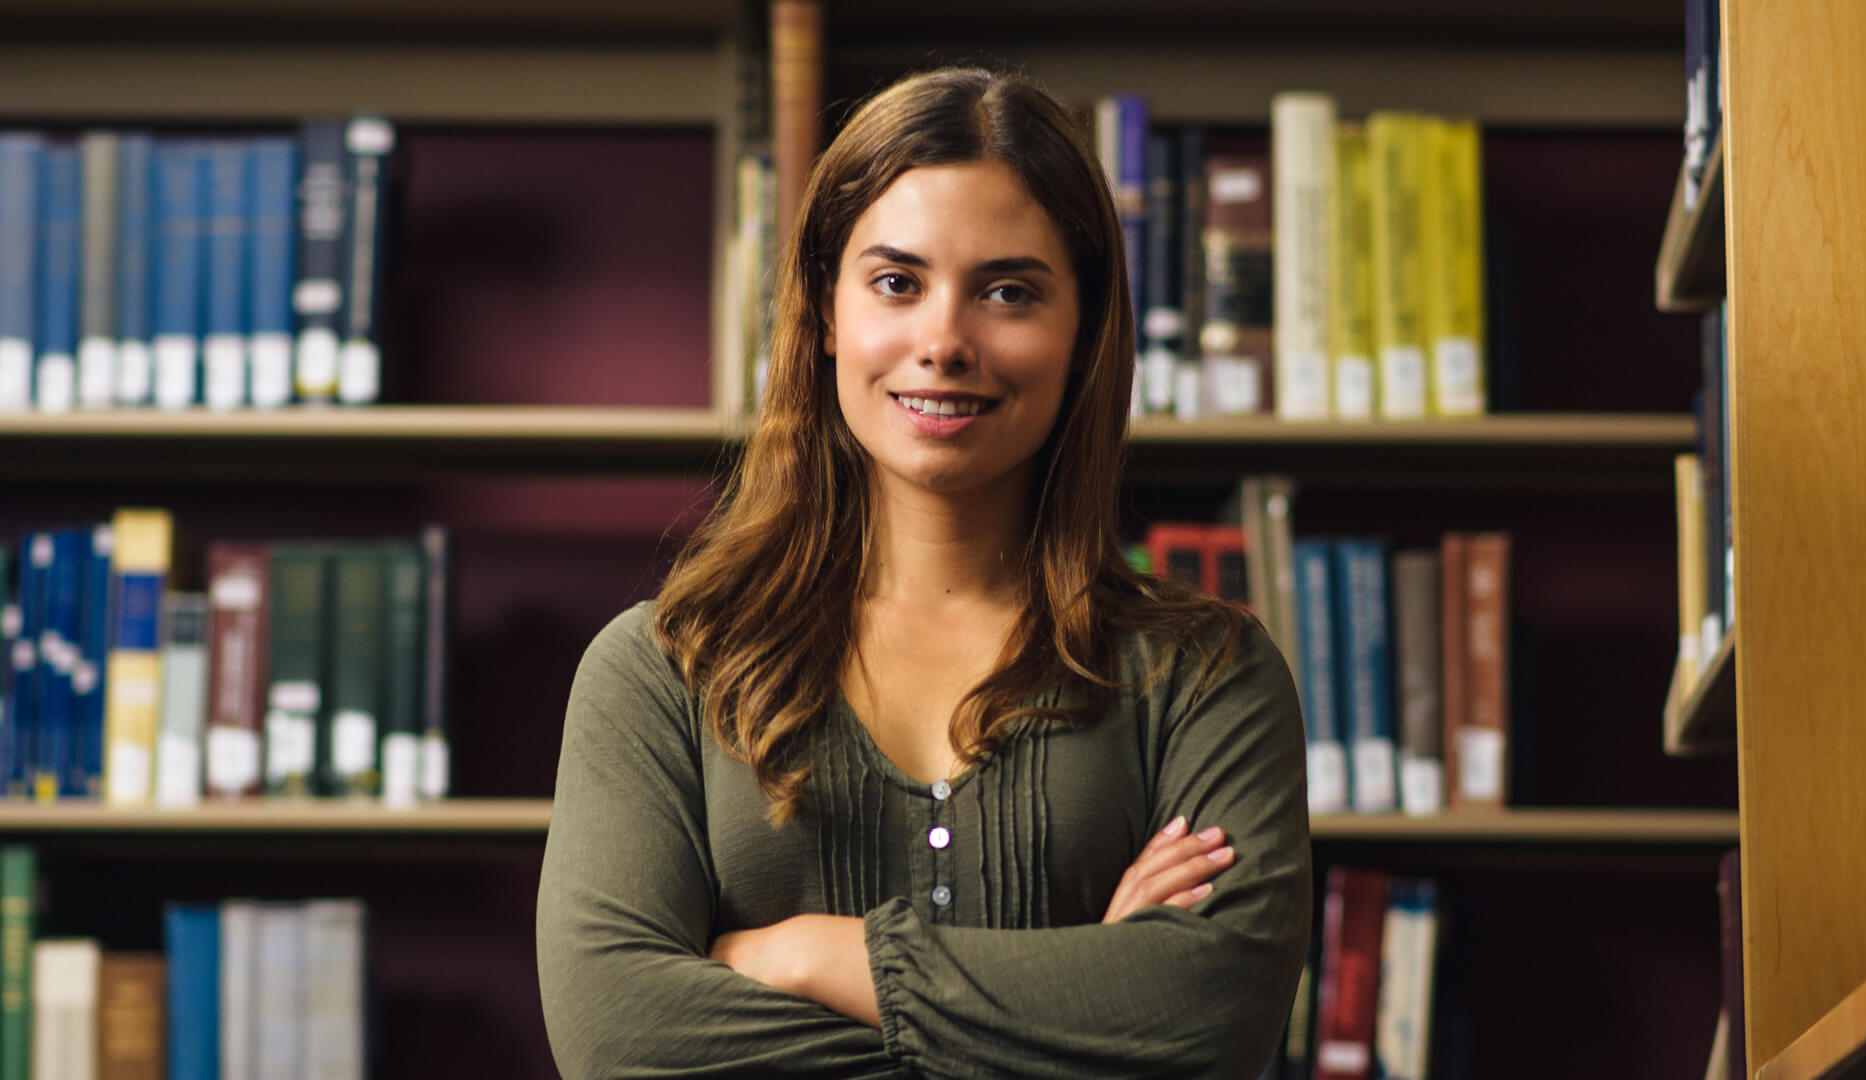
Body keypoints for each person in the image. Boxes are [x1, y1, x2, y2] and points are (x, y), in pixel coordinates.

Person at [536, 66, 1310, 1079]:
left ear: (1083, 332)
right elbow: (620, 1040)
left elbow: (1208, 1026)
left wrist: (813, 955)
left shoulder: (1207, 676)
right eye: (897, 283)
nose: (944, 342)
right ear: (824, 314)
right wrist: (1083, 1005)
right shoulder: (660, 673)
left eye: (1008, 292)